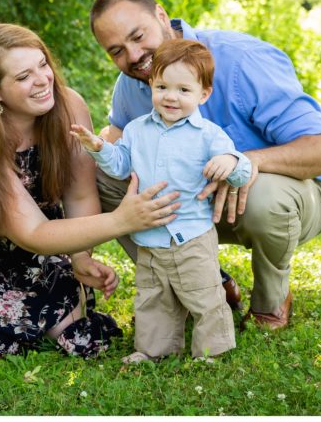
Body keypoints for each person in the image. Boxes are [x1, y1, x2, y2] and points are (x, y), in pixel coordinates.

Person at [0, 23, 181, 367]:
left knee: (75, 331)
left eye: (43, 65)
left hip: (36, 240)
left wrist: (79, 257)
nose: (43, 79)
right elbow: (32, 233)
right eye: (22, 77)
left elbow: (79, 195)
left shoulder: (69, 106)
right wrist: (122, 220)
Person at [89, 0, 321, 330]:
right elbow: (116, 143)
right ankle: (204, 286)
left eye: (138, 36)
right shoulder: (131, 84)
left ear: (161, 15)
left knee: (264, 197)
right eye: (117, 50)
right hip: (194, 205)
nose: (133, 56)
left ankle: (270, 301)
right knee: (102, 176)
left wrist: (246, 162)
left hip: (278, 201)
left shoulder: (240, 60)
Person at [70, 39, 250, 362]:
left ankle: (212, 350)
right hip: (150, 237)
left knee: (203, 294)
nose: (171, 96)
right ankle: (154, 349)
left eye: (183, 90)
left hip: (191, 235)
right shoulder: (138, 130)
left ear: (203, 94)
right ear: (151, 83)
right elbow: (121, 163)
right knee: (153, 297)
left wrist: (232, 163)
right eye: (163, 86)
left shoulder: (208, 135)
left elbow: (241, 170)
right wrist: (98, 147)